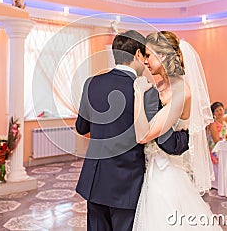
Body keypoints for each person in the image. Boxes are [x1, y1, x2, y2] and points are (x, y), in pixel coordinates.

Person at [75, 30, 189, 231]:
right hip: (126, 186)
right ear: (137, 54)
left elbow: (81, 127)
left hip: (94, 182)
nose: (146, 61)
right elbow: (165, 141)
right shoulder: (148, 93)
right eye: (144, 55)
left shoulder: (91, 83)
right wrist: (185, 136)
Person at [132, 31, 221, 230]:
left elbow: (144, 135)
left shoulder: (181, 90)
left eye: (148, 55)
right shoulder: (162, 85)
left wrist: (138, 93)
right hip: (153, 167)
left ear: (162, 55)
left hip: (168, 172)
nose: (145, 61)